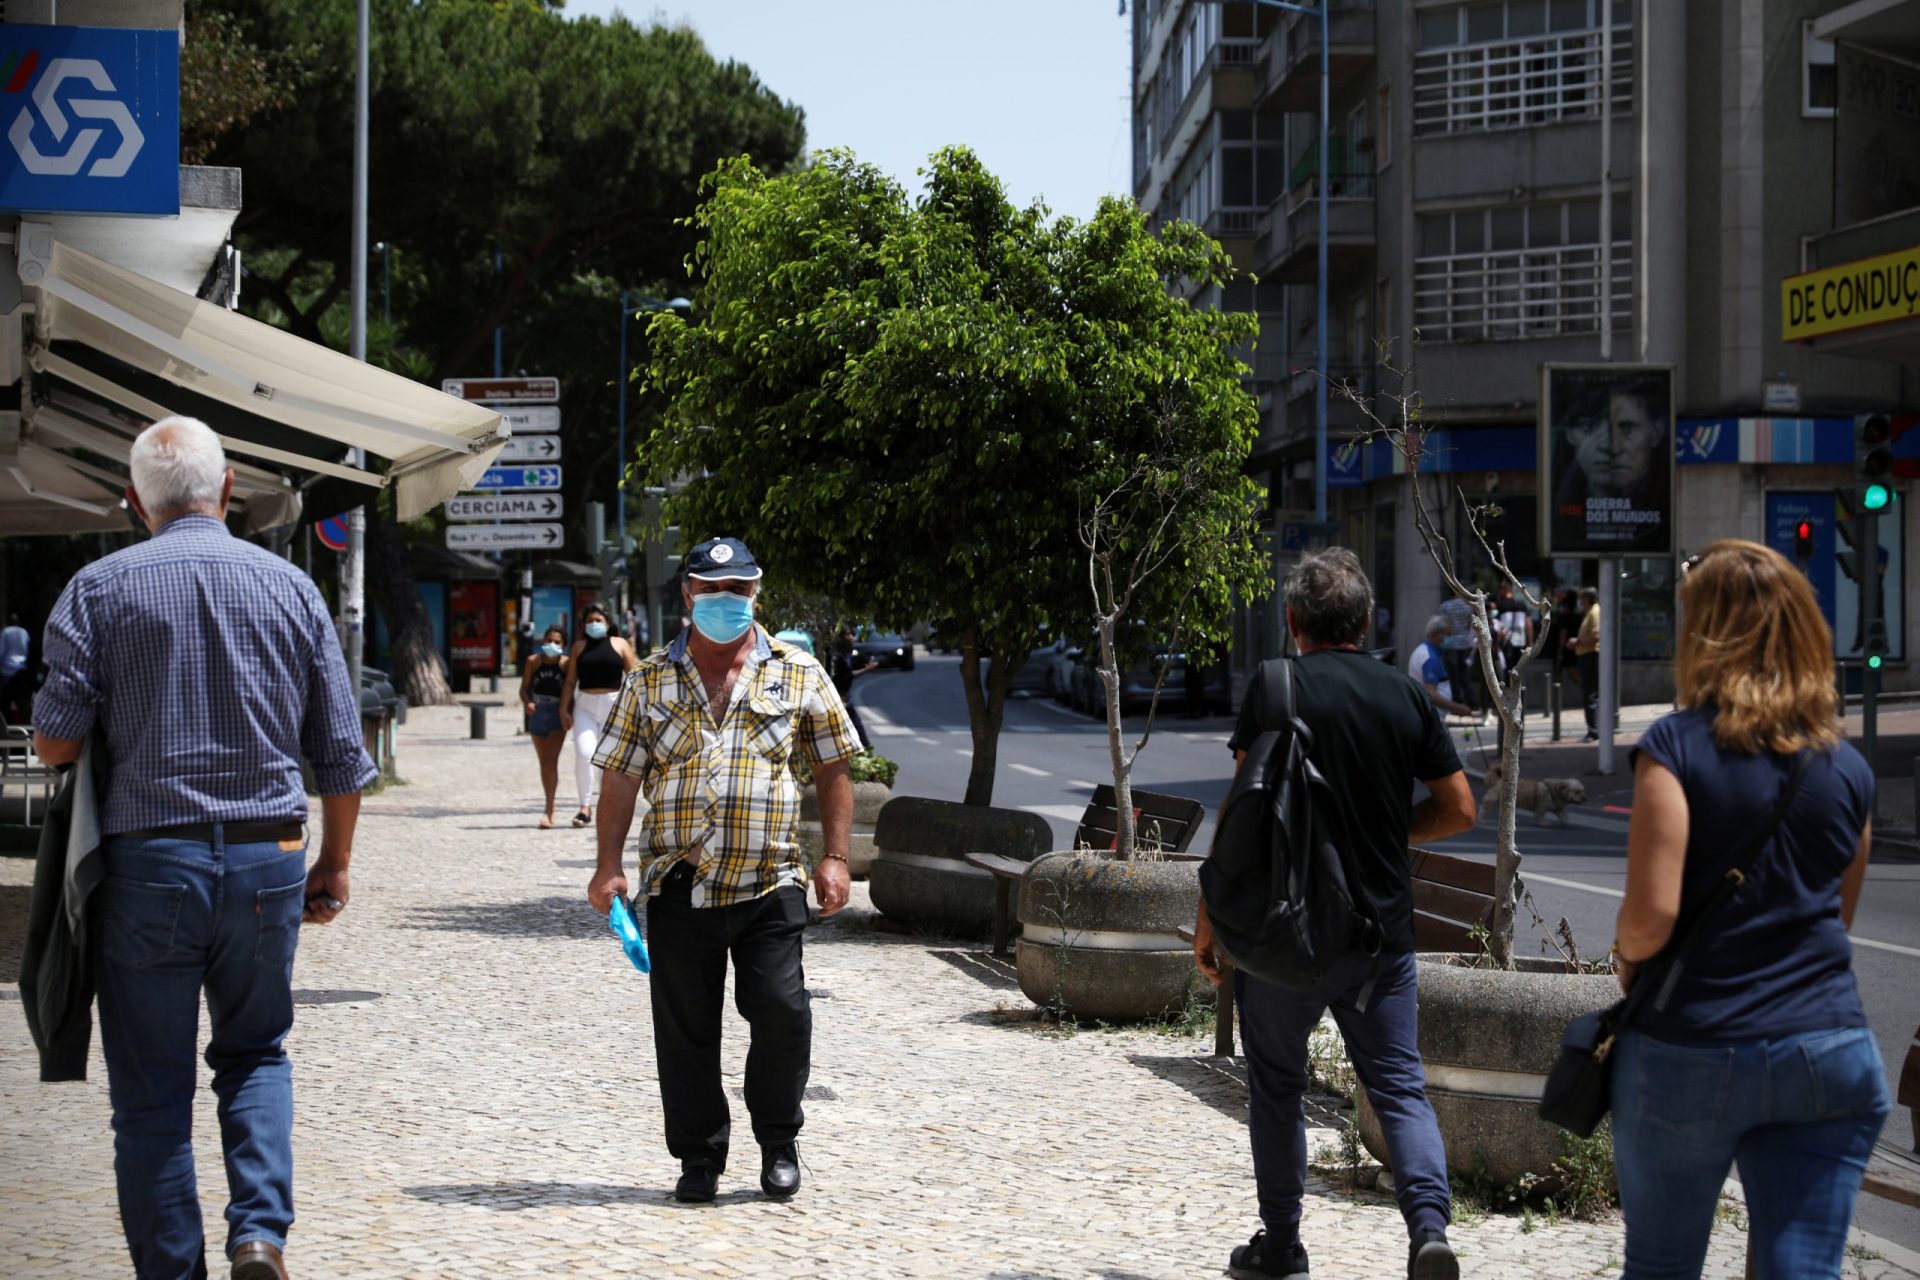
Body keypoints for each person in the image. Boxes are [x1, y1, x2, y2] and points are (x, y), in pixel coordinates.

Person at [30, 417, 375, 1280]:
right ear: (227, 494)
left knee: (150, 1098)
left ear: (130, 502)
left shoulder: (96, 590)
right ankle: (259, 1236)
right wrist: (332, 864)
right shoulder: (292, 590)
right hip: (267, 857)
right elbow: (339, 753)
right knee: (255, 1052)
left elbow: (56, 743)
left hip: (149, 864)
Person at [1194, 548, 1476, 1280]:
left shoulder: (1275, 687)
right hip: (1381, 938)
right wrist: (1389, 829)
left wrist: (1210, 918)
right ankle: (1427, 1234)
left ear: (1292, 621)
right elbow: (1461, 809)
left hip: (1288, 933)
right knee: (1399, 1087)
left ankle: (1282, 1247)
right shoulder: (1403, 695)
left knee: (1278, 1088)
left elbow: (1242, 813)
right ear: (1367, 621)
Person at [1611, 539, 1885, 1279]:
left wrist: (1626, 961)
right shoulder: (1847, 767)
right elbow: (1838, 914)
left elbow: (1650, 918)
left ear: (1704, 634)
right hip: (1828, 1051)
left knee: (1661, 1265)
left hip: (1692, 1046)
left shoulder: (1674, 748)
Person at [587, 537, 862, 1205]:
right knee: (684, 1030)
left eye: (737, 590)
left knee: (782, 1012)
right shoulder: (650, 679)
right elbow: (621, 775)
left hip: (770, 882)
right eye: (712, 591)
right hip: (680, 882)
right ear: (688, 594)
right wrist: (606, 867)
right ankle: (700, 1158)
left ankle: (778, 1139)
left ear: (755, 593)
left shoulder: (798, 673)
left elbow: (833, 766)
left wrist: (835, 856)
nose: (725, 603)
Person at [559, 602, 638, 828]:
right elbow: (570, 681)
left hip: (614, 706)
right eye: (590, 621)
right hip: (585, 706)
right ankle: (584, 807)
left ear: (607, 623)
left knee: (609, 761)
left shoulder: (620, 644)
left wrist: (637, 710)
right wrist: (564, 708)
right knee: (584, 753)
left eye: (598, 620)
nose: (594, 624)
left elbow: (634, 679)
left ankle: (607, 805)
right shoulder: (579, 647)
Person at [519, 624, 570, 828]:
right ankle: (548, 805)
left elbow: (570, 687)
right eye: (548, 640)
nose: (551, 645)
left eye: (557, 642)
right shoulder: (533, 661)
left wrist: (567, 712)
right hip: (538, 710)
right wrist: (527, 703)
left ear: (563, 644)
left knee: (552, 760)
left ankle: (549, 809)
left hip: (557, 710)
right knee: (543, 762)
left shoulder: (566, 664)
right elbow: (523, 689)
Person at [1407, 616, 1471, 719]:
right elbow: (1431, 693)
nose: (1450, 639)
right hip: (1432, 718)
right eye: (1448, 635)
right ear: (1436, 635)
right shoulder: (1431, 658)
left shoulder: (1424, 651)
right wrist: (1457, 707)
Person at [831, 624, 878, 750]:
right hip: (838, 700)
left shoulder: (846, 654)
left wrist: (866, 669)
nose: (852, 637)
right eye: (848, 634)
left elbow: (848, 675)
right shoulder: (835, 656)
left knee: (858, 730)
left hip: (846, 699)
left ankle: (864, 750)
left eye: (852, 633)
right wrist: (841, 697)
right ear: (840, 637)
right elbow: (838, 678)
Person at [1436, 593, 1481, 720]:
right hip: (1464, 644)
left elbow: (1442, 625)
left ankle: (1458, 702)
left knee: (1453, 676)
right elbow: (1470, 625)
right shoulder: (1468, 607)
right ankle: (1471, 701)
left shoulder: (1445, 606)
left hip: (1451, 644)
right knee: (1464, 674)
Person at [1570, 587, 1601, 742]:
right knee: (1591, 694)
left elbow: (1596, 636)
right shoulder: (1590, 613)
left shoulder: (1595, 612)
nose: (1580, 602)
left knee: (1590, 695)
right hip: (1587, 656)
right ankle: (1595, 728)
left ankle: (1594, 730)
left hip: (1591, 657)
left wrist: (1578, 641)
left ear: (1588, 599)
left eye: (1582, 599)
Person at [1, 613, 32, 724]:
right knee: (22, 699)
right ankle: (27, 722)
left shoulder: (5, 632)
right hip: (21, 668)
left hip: (7, 670)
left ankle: (6, 722)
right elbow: (27, 648)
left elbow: (1, 650)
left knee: (4, 700)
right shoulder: (24, 632)